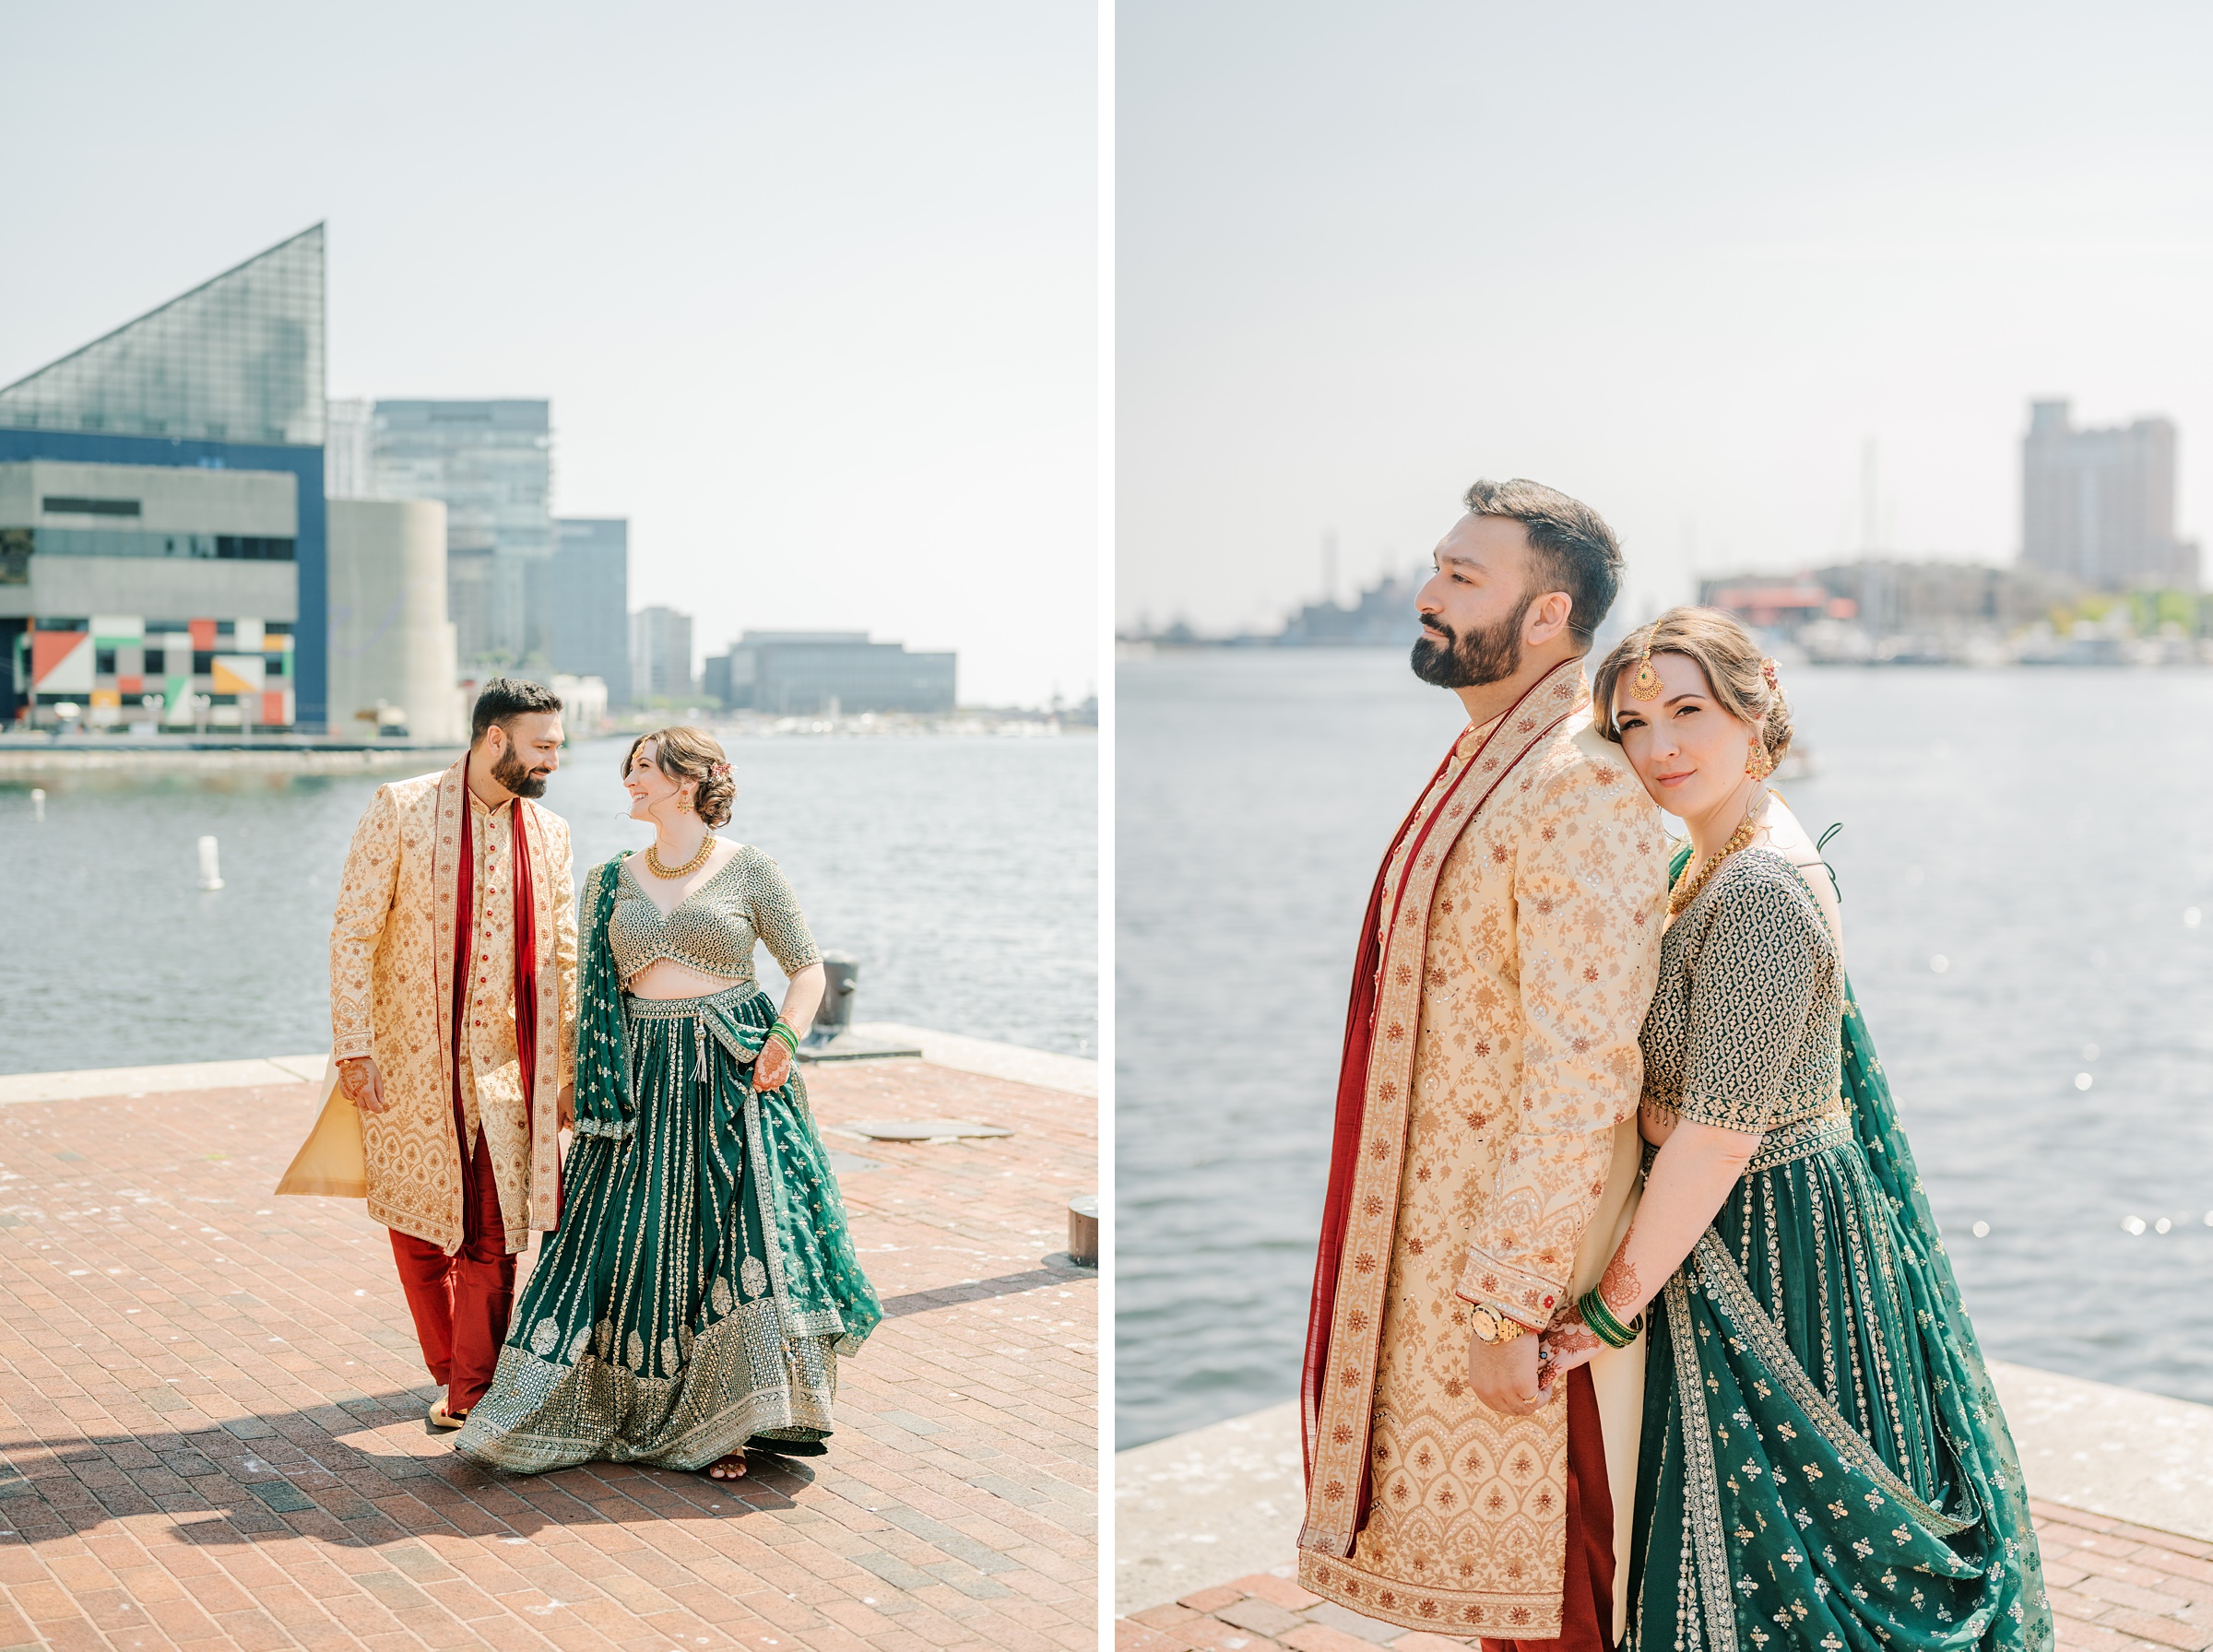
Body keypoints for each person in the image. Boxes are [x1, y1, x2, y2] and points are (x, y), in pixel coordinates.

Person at [1538, 608, 2050, 1652]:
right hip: (1731, 1220)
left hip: (1773, 1241)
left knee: (1791, 1554)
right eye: (1632, 724)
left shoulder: (1762, 887)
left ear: (1753, 706)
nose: (1660, 746)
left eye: (1688, 711)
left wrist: (1607, 1311)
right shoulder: (1715, 855)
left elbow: (1721, 1133)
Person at [1299, 479, 1669, 1646]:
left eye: (1463, 578)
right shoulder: (1485, 760)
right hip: (1438, 1253)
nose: (1427, 596)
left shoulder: (1578, 783)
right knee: (1512, 1609)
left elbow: (1583, 1067)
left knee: (1562, 1593)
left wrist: (1509, 1300)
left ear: (1549, 614)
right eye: (1436, 570)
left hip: (1523, 1280)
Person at [456, 726, 881, 1480]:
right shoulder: (612, 879)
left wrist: (785, 1040)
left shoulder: (750, 871)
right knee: (638, 1241)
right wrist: (571, 1078)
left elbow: (807, 970)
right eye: (630, 770)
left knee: (737, 1238)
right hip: (637, 1077)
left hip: (733, 1072)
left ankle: (730, 1424)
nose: (629, 782)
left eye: (642, 769)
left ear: (687, 781)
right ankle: (616, 1405)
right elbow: (592, 994)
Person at [328, 678, 579, 1431]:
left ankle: (474, 1392)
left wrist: (566, 1069)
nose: (552, 765)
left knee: (496, 1231)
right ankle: (454, 1372)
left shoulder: (551, 834)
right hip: (413, 1058)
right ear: (494, 740)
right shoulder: (400, 808)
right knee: (417, 1227)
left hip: (508, 1065)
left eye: (556, 749)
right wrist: (355, 1046)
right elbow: (354, 932)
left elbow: (564, 957)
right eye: (542, 747)